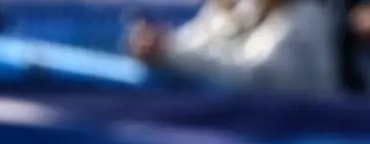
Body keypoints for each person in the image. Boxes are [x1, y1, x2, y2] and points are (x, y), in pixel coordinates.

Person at [130, 0, 338, 91]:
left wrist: (170, 55)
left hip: (302, 140)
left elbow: (250, 76)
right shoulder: (245, 8)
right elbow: (194, 43)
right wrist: (159, 44)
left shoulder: (305, 20)